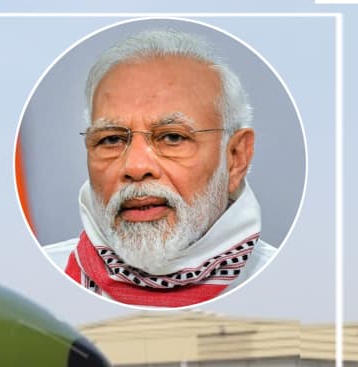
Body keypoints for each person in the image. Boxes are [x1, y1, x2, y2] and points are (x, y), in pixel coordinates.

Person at [43, 29, 277, 308]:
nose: (136, 167)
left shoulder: (299, 290)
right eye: (111, 139)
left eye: (172, 137)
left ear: (236, 157)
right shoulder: (31, 285)